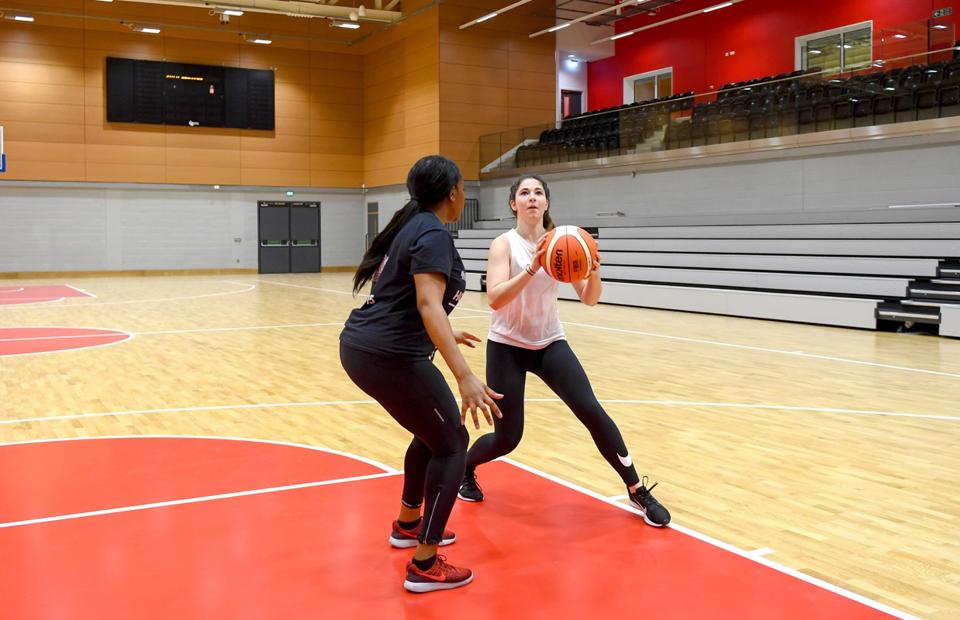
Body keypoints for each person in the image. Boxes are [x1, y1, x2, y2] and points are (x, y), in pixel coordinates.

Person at [456, 174, 671, 528]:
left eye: (538, 193)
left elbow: (589, 298)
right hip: (506, 347)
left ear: (546, 203)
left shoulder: (561, 242)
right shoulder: (503, 245)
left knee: (591, 410)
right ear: (513, 204)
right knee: (508, 438)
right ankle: (466, 467)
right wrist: (532, 267)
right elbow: (494, 299)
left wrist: (595, 270)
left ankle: (636, 489)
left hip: (549, 343)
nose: (531, 198)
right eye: (524, 193)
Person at [339, 155, 503, 593]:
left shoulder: (412, 225)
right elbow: (428, 304)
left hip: (368, 348)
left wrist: (447, 331)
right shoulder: (430, 232)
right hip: (387, 354)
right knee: (452, 443)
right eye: (462, 187)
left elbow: (412, 302)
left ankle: (408, 523)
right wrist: (465, 375)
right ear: (452, 192)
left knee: (430, 434)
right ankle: (425, 564)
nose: (463, 193)